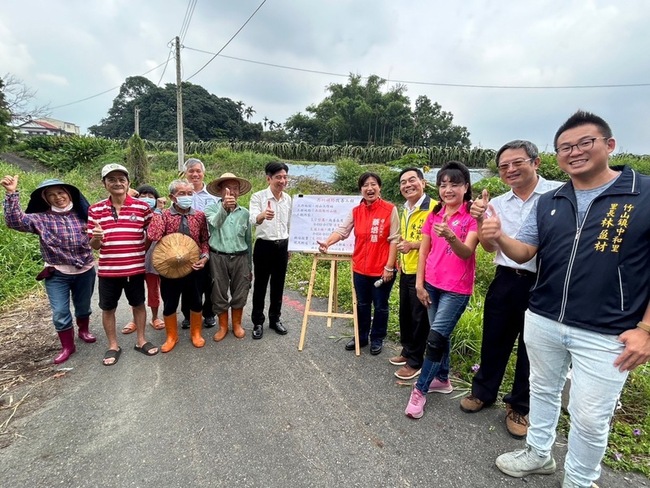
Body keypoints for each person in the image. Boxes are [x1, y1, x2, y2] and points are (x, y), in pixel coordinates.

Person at [480, 112, 650, 488]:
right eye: (565, 147)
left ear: (609, 145)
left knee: (590, 416)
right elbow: (524, 251)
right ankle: (539, 454)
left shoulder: (644, 195)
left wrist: (646, 329)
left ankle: (580, 480)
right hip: (543, 317)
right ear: (556, 156)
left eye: (584, 143)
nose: (574, 152)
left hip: (608, 330)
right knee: (542, 391)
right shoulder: (551, 200)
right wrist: (496, 236)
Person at [461, 140, 562, 439]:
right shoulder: (498, 203)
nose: (510, 170)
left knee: (533, 348)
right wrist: (481, 222)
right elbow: (490, 245)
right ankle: (483, 391)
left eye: (517, 163)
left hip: (545, 280)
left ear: (536, 162)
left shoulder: (559, 194)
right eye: (504, 166)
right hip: (506, 277)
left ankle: (519, 406)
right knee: (494, 338)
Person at [404, 161, 479, 419]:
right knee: (441, 335)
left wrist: (450, 235)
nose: (448, 190)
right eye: (443, 184)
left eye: (455, 184)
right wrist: (419, 283)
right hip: (431, 285)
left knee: (434, 338)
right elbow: (424, 250)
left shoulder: (472, 217)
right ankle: (443, 379)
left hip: (456, 289)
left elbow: (466, 251)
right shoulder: (434, 213)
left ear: (466, 187)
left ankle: (420, 389)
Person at [2, 175, 96, 364]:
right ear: (45, 199)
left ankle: (83, 330)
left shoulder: (84, 215)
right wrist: (11, 193)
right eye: (51, 195)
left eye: (61, 192)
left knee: (83, 306)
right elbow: (15, 222)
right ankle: (68, 346)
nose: (57, 197)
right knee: (60, 312)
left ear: (69, 194)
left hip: (85, 270)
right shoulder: (41, 219)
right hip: (57, 273)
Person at [318, 172, 400, 355]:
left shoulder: (390, 209)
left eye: (373, 184)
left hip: (382, 269)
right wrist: (328, 242)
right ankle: (361, 336)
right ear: (361, 190)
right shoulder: (356, 211)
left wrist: (389, 266)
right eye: (365, 185)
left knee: (380, 305)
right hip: (360, 269)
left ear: (379, 187)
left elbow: (395, 239)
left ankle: (377, 338)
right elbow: (342, 231)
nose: (369, 188)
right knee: (362, 304)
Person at [87, 163, 159, 366]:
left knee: (138, 304)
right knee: (108, 308)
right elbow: (94, 245)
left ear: (128, 183)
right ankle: (113, 345)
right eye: (112, 179)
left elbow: (151, 234)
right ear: (104, 184)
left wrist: (140, 251)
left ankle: (141, 340)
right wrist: (96, 238)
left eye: (121, 179)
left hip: (135, 269)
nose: (117, 183)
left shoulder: (142, 207)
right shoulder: (95, 210)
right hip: (109, 271)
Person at [147, 179, 210, 352]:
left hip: (194, 266)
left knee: (196, 301)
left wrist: (204, 257)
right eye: (182, 194)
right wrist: (158, 211)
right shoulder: (164, 215)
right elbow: (154, 235)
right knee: (170, 302)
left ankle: (196, 333)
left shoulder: (199, 216)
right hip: (169, 268)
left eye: (190, 193)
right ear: (172, 197)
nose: (186, 197)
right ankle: (171, 336)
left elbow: (204, 240)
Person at [391, 168, 438, 381]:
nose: (407, 185)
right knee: (406, 314)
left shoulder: (435, 208)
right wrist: (401, 257)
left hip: (425, 272)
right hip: (407, 268)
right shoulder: (406, 208)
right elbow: (404, 238)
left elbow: (440, 240)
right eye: (403, 182)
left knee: (420, 318)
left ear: (423, 183)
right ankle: (408, 350)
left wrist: (413, 245)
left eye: (412, 180)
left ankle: (416, 361)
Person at [204, 173, 253, 341]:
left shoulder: (244, 213)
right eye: (228, 188)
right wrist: (224, 208)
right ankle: (223, 326)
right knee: (218, 292)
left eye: (235, 188)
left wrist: (250, 266)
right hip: (218, 257)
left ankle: (237, 324)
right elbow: (216, 223)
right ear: (220, 191)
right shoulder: (211, 209)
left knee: (241, 291)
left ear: (239, 191)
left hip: (240, 257)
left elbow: (248, 241)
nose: (232, 191)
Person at [249, 161, 292, 339]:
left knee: (278, 285)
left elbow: (289, 224)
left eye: (284, 177)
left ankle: (275, 319)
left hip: (282, 245)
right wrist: (262, 215)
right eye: (278, 177)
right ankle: (258, 322)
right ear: (268, 178)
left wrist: (290, 246)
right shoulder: (258, 197)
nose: (282, 181)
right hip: (264, 246)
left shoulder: (288, 199)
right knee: (260, 285)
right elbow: (252, 219)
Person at [121, 184, 166, 333]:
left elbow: (156, 231)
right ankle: (135, 320)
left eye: (151, 196)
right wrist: (128, 193)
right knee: (135, 292)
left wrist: (158, 209)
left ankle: (154, 317)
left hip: (154, 260)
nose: (147, 199)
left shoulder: (160, 214)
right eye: (143, 196)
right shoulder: (130, 212)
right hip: (135, 260)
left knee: (154, 290)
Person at [180, 158, 218, 329]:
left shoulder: (213, 197)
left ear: (203, 173)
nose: (195, 174)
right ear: (185, 174)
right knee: (187, 281)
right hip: (185, 247)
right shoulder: (181, 194)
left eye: (198, 171)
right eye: (191, 171)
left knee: (210, 281)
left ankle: (209, 313)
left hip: (210, 244)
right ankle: (187, 315)